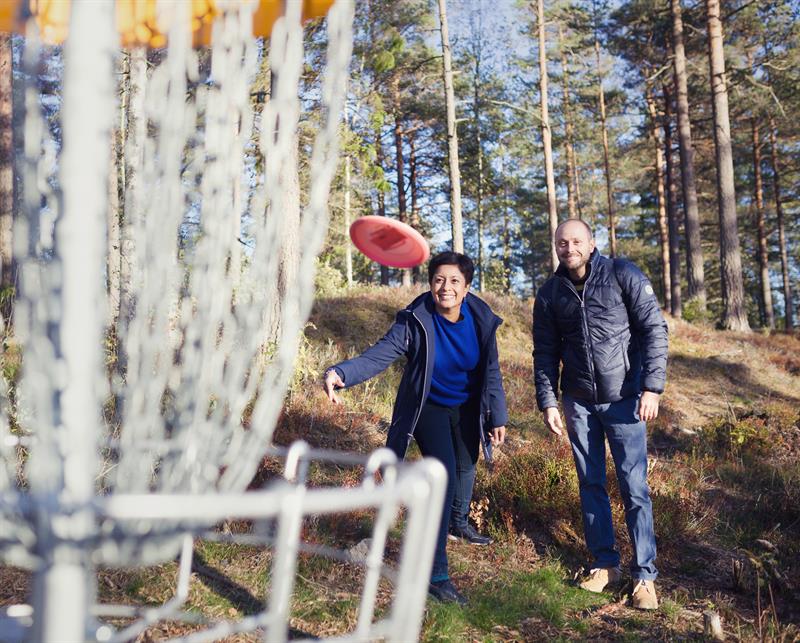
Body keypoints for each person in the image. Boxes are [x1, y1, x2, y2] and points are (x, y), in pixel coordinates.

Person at [323, 251, 508, 605]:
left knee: (467, 465)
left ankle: (457, 523)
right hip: (429, 407)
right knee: (445, 478)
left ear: (467, 288)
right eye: (439, 279)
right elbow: (379, 354)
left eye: (455, 281)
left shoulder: (481, 318)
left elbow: (492, 369)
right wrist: (341, 373)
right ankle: (436, 574)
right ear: (430, 284)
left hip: (468, 407)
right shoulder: (416, 319)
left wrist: (496, 414)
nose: (446, 287)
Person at [532, 219, 668, 610]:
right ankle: (606, 565)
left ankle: (645, 578)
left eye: (576, 241)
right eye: (562, 242)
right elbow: (545, 354)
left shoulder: (623, 274)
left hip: (626, 399)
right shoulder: (549, 294)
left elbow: (654, 330)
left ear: (592, 244)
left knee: (634, 488)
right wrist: (549, 402)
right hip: (578, 402)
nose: (568, 247)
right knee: (590, 485)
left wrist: (652, 388)